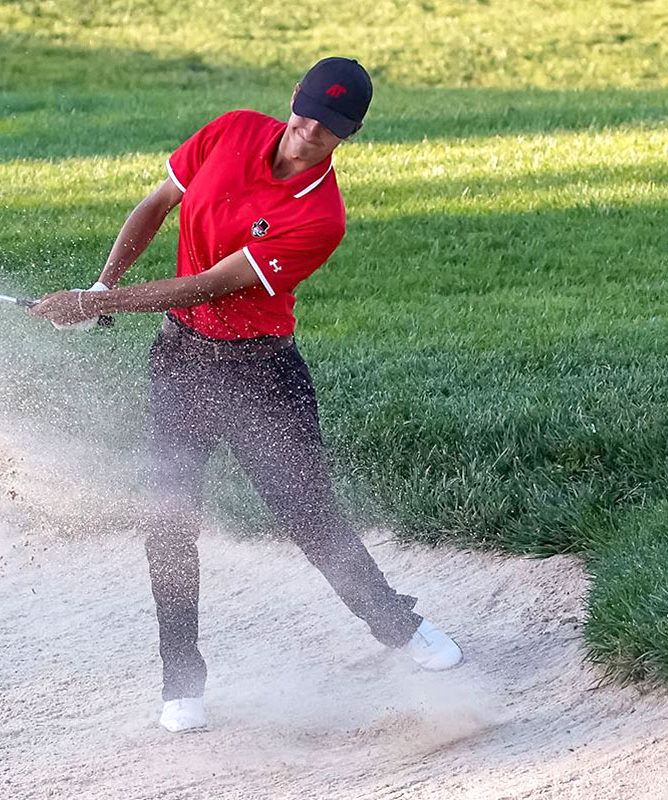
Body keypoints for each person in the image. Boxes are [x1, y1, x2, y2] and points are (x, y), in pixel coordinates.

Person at [29, 57, 462, 734]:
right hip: (179, 362)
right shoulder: (230, 131)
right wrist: (105, 285)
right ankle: (181, 679)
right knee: (168, 522)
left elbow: (208, 284)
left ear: (349, 135)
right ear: (294, 97)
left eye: (327, 129)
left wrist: (86, 305)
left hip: (260, 376)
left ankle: (398, 627)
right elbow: (155, 204)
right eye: (305, 114)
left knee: (311, 520)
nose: (307, 133)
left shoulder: (320, 216)